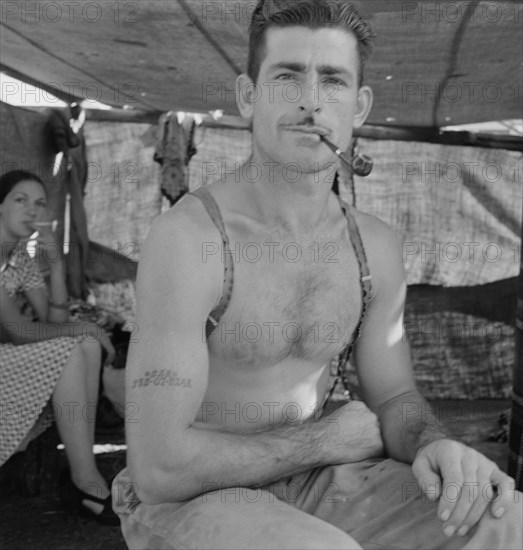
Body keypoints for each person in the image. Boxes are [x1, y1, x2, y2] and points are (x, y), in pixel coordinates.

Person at [113, 1, 522, 548]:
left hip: (320, 482)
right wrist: (326, 439)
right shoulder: (191, 239)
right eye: (287, 77)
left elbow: (396, 396)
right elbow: (158, 468)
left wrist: (433, 445)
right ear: (247, 96)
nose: (310, 100)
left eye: (332, 80)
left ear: (358, 106)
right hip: (192, 496)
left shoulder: (371, 246)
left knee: (504, 516)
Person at [0, 170, 119, 525]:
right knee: (73, 342)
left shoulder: (19, 257)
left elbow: (51, 319)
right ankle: (85, 482)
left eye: (38, 203)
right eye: (20, 200)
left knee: (84, 344)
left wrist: (54, 266)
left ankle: (83, 476)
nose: (32, 210)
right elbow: (22, 332)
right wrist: (83, 327)